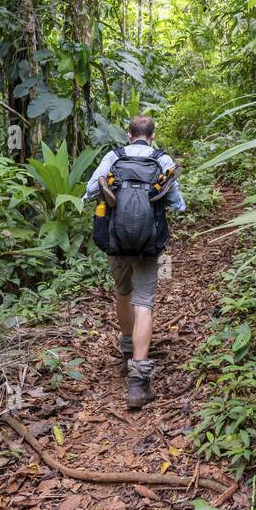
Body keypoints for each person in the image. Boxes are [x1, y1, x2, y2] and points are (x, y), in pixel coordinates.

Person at [83, 116, 185, 409]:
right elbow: (176, 201)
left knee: (122, 293)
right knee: (144, 303)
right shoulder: (162, 159)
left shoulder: (113, 156)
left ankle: (128, 349)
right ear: (152, 136)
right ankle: (138, 383)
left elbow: (92, 189)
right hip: (148, 242)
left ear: (129, 134)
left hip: (117, 240)